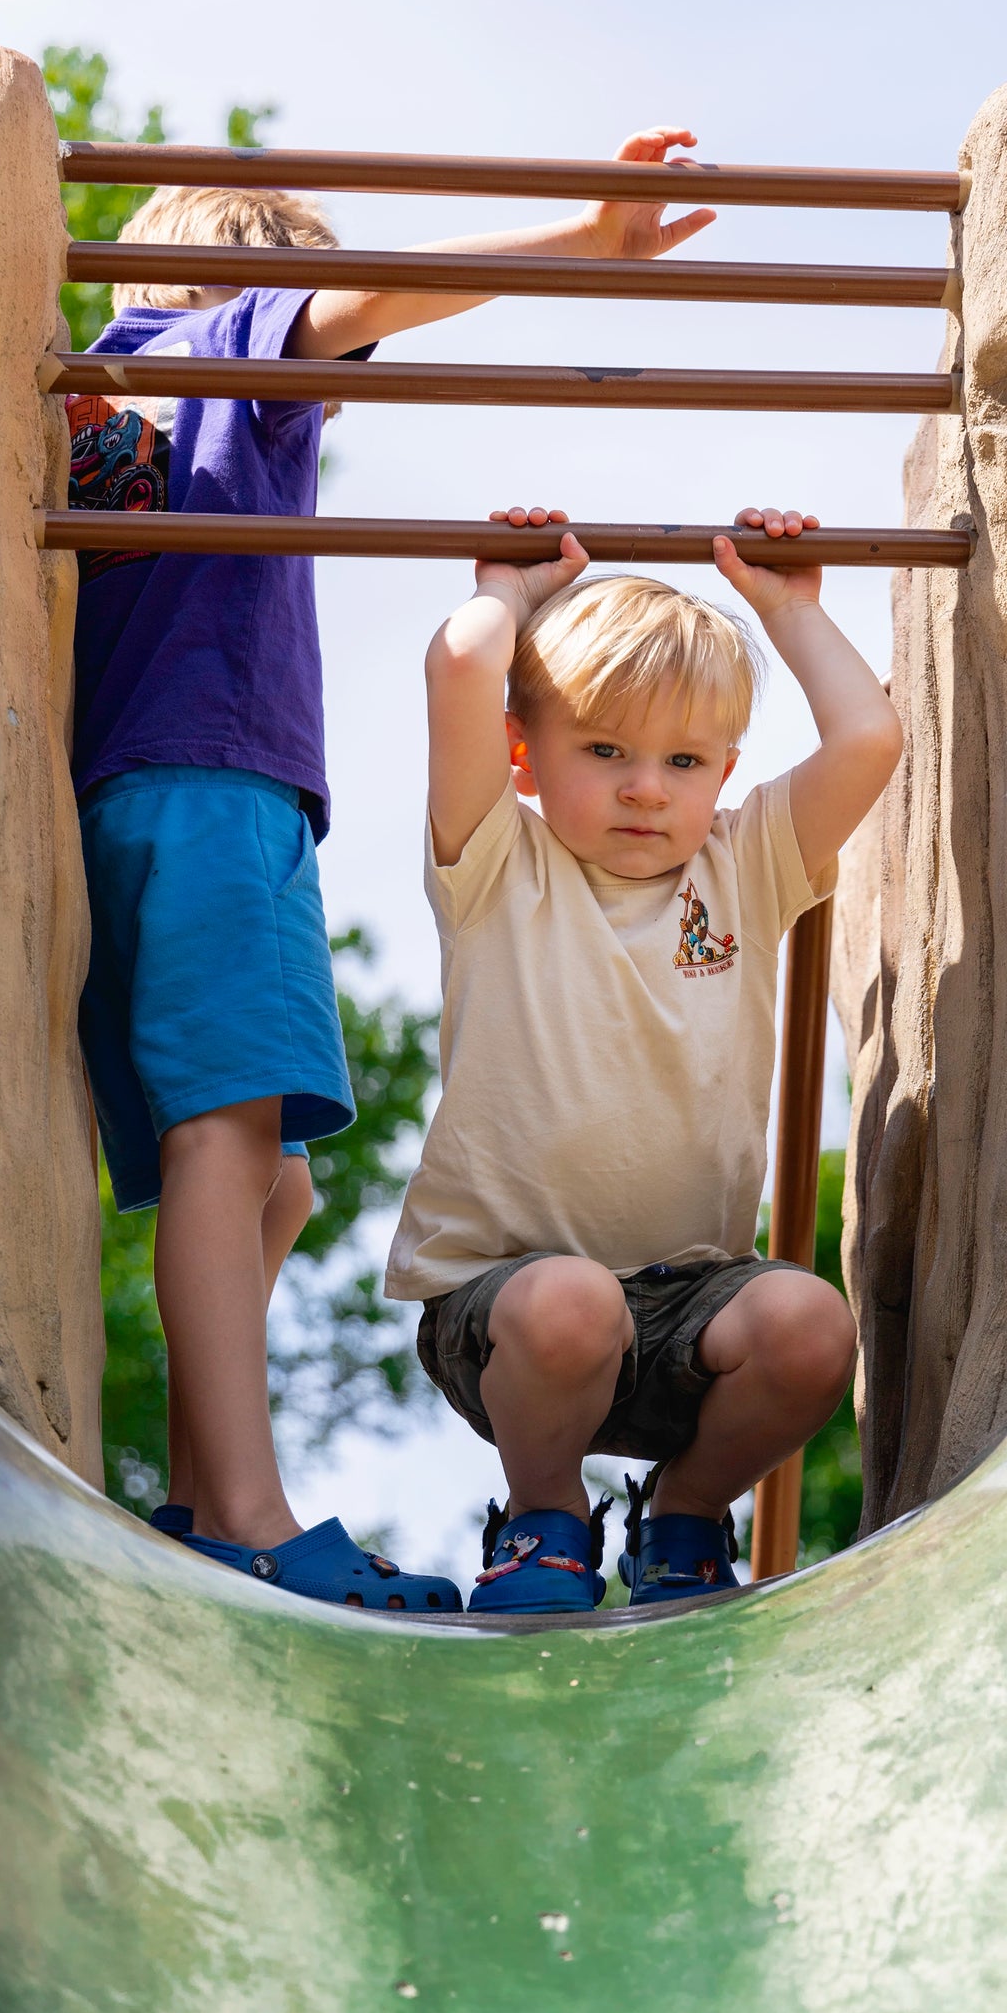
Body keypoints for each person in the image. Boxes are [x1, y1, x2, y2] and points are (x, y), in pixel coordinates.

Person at [69, 131, 717, 1614]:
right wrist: (589, 237)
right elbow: (371, 296)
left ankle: (193, 1494)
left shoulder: (100, 393)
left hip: (137, 798)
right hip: (217, 789)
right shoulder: (218, 346)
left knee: (274, 1182)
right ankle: (245, 1508)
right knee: (229, 1146)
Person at [385, 504, 904, 1612]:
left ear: (724, 770)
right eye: (604, 749)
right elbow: (464, 662)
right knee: (569, 1302)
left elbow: (867, 740)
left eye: (682, 759)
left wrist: (789, 610)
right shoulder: (496, 867)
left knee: (812, 1325)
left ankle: (681, 1516)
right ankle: (543, 1519)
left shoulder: (745, 866)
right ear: (525, 755)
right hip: (511, 1316)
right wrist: (509, 595)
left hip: (688, 1308)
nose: (644, 787)